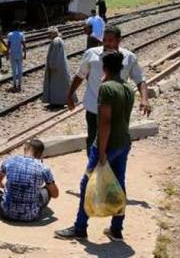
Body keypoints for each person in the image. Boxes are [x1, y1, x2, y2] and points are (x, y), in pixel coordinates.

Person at [55, 52, 135, 241]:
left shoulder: (106, 89)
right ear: (121, 68)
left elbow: (105, 122)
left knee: (86, 184)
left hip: (107, 145)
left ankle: (80, 229)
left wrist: (101, 152)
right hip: (124, 143)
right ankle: (117, 229)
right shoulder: (128, 88)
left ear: (105, 68)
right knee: (119, 183)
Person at [66, 25, 150, 152]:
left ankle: (110, 167)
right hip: (94, 108)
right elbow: (80, 75)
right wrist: (70, 95)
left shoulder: (129, 57)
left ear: (118, 40)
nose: (106, 43)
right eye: (104, 40)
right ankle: (93, 168)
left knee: (115, 142)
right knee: (93, 142)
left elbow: (140, 79)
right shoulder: (91, 54)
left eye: (110, 40)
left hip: (118, 110)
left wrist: (145, 99)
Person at [0, 139, 59, 222]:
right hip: (31, 216)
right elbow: (55, 194)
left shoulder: (9, 161)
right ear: (40, 154)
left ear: (25, 149)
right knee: (49, 187)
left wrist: (7, 187)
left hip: (7, 213)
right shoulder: (44, 168)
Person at [42, 27, 75, 107]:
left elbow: (54, 55)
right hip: (60, 65)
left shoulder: (56, 41)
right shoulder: (58, 40)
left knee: (56, 85)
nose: (48, 35)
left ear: (53, 33)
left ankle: (57, 102)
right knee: (60, 85)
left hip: (57, 67)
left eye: (49, 33)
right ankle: (58, 101)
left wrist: (52, 65)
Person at [6, 21, 26, 92]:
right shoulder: (21, 34)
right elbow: (23, 45)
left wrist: (7, 54)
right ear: (18, 27)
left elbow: (8, 45)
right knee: (20, 69)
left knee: (14, 70)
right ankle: (19, 85)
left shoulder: (9, 34)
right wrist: (25, 54)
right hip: (19, 53)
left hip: (12, 54)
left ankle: (14, 84)